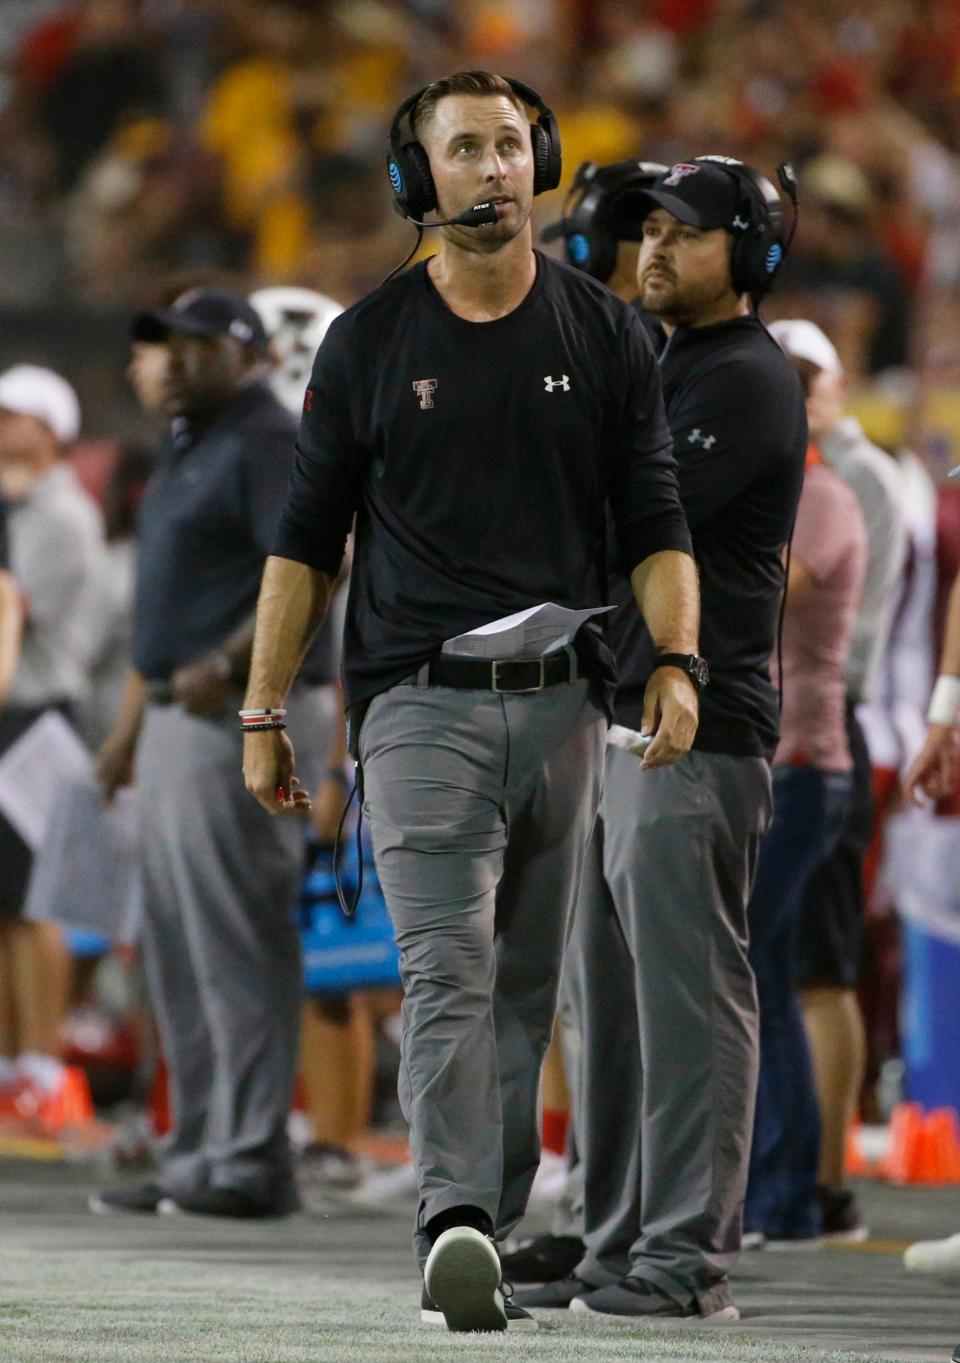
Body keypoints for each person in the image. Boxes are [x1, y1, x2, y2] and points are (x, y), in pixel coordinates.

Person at [241, 70, 700, 1334]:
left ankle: (487, 1222)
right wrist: (266, 709)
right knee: (445, 968)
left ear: (540, 159)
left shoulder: (608, 335)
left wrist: (677, 659)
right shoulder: (371, 340)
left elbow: (657, 519)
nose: (493, 167)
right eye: (465, 149)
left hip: (563, 700)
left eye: (511, 144)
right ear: (418, 180)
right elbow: (305, 539)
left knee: (524, 986)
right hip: (418, 704)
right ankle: (452, 1214)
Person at [517, 156, 806, 1322]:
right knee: (611, 1004)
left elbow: (619, 520)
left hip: (697, 722)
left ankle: (688, 1257)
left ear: (751, 254)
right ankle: (617, 1231)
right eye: (644, 231)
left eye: (684, 233)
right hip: (619, 715)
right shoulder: (667, 363)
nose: (654, 250)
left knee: (687, 996)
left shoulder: (744, 377)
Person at [89, 287, 319, 1221]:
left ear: (254, 354)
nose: (176, 361)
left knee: (236, 938)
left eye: (200, 345)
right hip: (177, 722)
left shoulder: (267, 437)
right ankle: (198, 1147)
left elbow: (308, 566)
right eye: (166, 345)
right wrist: (130, 734)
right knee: (180, 947)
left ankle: (253, 1155)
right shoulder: (194, 441)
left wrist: (234, 666)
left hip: (239, 712)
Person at [769, 319, 906, 1242]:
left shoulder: (844, 478)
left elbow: (799, 587)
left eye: (800, 377)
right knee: (784, 965)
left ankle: (820, 1183)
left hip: (823, 724)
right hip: (798, 725)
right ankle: (795, 1182)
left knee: (816, 968)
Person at [744, 425, 866, 1246]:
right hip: (777, 757)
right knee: (769, 968)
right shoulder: (788, 493)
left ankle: (785, 1189)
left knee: (762, 967)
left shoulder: (820, 497)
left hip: (801, 761)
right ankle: (779, 1194)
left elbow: (773, 582)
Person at [0, 365, 105, 1108]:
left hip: (36, 715)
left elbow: (17, 611)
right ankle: (11, 1061)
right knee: (4, 900)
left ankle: (44, 1060)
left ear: (49, 429)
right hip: (9, 714)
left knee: (37, 899)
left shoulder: (59, 513)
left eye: (15, 415)